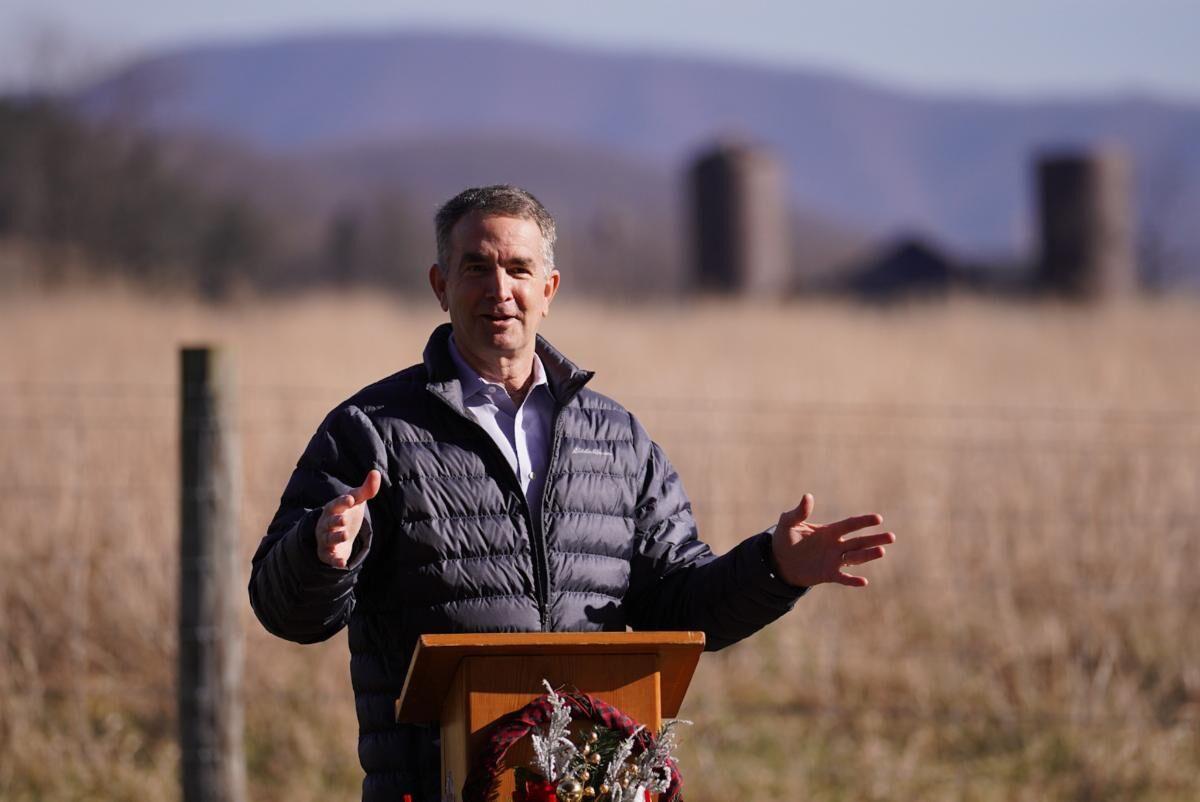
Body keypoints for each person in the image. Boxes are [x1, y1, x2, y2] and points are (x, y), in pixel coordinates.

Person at [248, 185, 894, 802]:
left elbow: (678, 605)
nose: (500, 289)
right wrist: (321, 552)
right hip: (435, 783)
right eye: (476, 268)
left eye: (519, 269)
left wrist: (774, 570)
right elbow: (288, 614)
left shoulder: (616, 437)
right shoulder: (371, 430)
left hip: (592, 780)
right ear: (441, 286)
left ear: (548, 289)